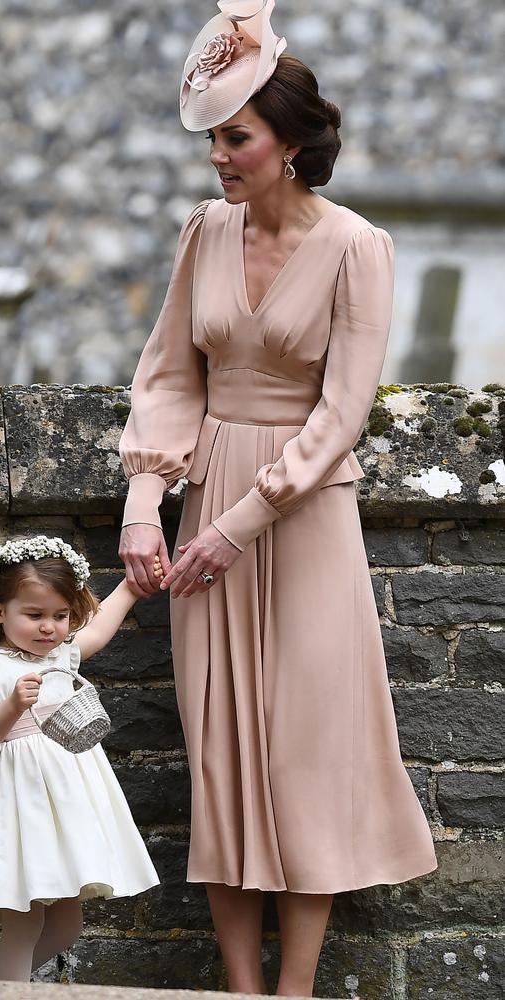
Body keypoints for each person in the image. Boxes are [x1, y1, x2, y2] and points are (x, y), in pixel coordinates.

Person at [118, 2, 437, 996]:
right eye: (214, 137)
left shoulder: (355, 247)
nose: (218, 156)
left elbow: (340, 414)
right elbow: (169, 376)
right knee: (220, 750)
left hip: (298, 518)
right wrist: (143, 503)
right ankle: (240, 987)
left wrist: (236, 524)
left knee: (303, 751)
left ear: (288, 144)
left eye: (236, 137)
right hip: (206, 489)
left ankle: (293, 989)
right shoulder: (201, 234)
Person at [0, 535, 160, 982]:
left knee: (66, 926)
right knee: (23, 921)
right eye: (35, 615)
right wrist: (11, 706)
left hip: (66, 803)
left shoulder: (64, 655)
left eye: (60, 616)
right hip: (18, 802)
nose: (49, 627)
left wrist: (132, 587)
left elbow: (99, 630)